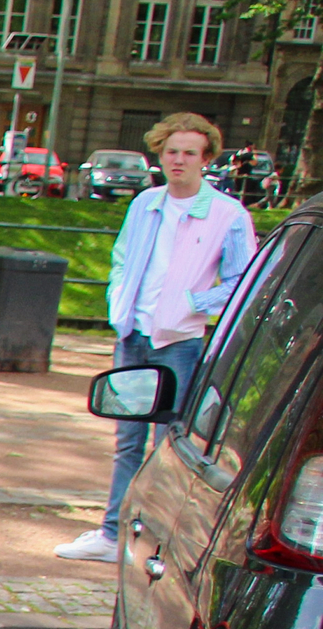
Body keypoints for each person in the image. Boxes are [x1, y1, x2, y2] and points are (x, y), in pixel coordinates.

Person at [55, 112, 256, 564]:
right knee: (127, 439)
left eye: (189, 152)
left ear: (206, 158)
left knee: (169, 445)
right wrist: (118, 304)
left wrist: (192, 302)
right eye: (171, 152)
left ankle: (154, 542)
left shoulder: (227, 214)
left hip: (180, 341)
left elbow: (243, 279)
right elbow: (123, 257)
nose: (179, 160)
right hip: (134, 335)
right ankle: (112, 534)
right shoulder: (146, 202)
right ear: (160, 155)